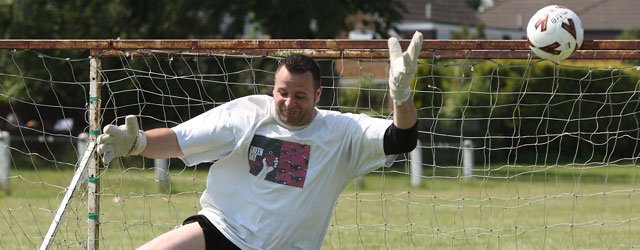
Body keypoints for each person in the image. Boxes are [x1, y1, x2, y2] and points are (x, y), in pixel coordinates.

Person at [97, 31, 423, 250]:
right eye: (282, 93)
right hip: (221, 230)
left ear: (318, 94)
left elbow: (402, 138)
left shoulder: (342, 132)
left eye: (299, 95)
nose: (288, 103)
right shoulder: (247, 113)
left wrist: (400, 93)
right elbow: (179, 140)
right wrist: (137, 143)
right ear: (273, 89)